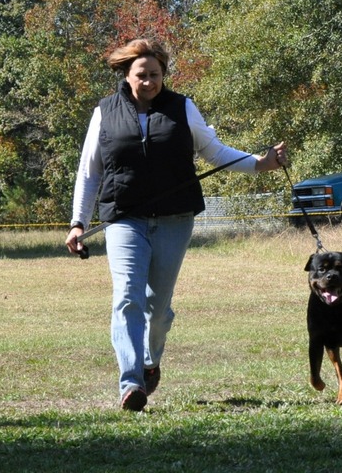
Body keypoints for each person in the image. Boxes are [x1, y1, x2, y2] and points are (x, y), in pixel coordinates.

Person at [65, 38, 287, 412]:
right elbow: (90, 172)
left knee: (158, 307)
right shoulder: (105, 112)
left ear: (163, 74)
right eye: (142, 75)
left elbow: (214, 152)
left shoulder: (182, 107)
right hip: (124, 219)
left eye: (155, 75)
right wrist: (77, 222)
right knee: (127, 298)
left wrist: (260, 164)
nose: (149, 81)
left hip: (174, 219)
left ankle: (150, 361)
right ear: (126, 74)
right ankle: (131, 382)